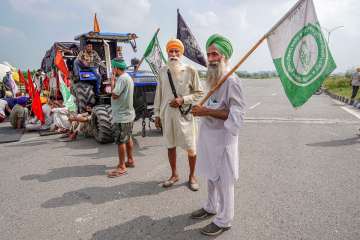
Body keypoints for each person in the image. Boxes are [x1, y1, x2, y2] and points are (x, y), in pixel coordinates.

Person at [191, 34, 245, 236]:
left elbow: (237, 115)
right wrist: (200, 108)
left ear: (224, 56)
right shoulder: (213, 78)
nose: (211, 58)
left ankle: (224, 219)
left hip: (223, 140)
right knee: (211, 177)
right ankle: (211, 207)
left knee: (224, 180)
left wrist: (206, 112)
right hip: (208, 138)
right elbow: (212, 104)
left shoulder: (232, 80)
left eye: (215, 54)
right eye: (209, 54)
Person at [154, 39, 203, 191]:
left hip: (185, 115)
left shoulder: (190, 70)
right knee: (170, 145)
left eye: (177, 52)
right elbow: (159, 94)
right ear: (167, 53)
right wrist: (157, 114)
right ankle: (174, 174)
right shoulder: (163, 71)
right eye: (171, 51)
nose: (173, 54)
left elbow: (199, 92)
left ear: (181, 54)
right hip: (167, 115)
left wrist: (183, 99)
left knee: (191, 148)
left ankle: (192, 176)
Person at [107, 59, 136, 178]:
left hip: (121, 116)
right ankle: (130, 160)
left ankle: (122, 166)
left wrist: (112, 81)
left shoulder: (121, 79)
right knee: (128, 138)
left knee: (120, 141)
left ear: (115, 68)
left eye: (113, 68)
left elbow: (114, 95)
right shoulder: (127, 77)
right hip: (128, 114)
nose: (112, 70)